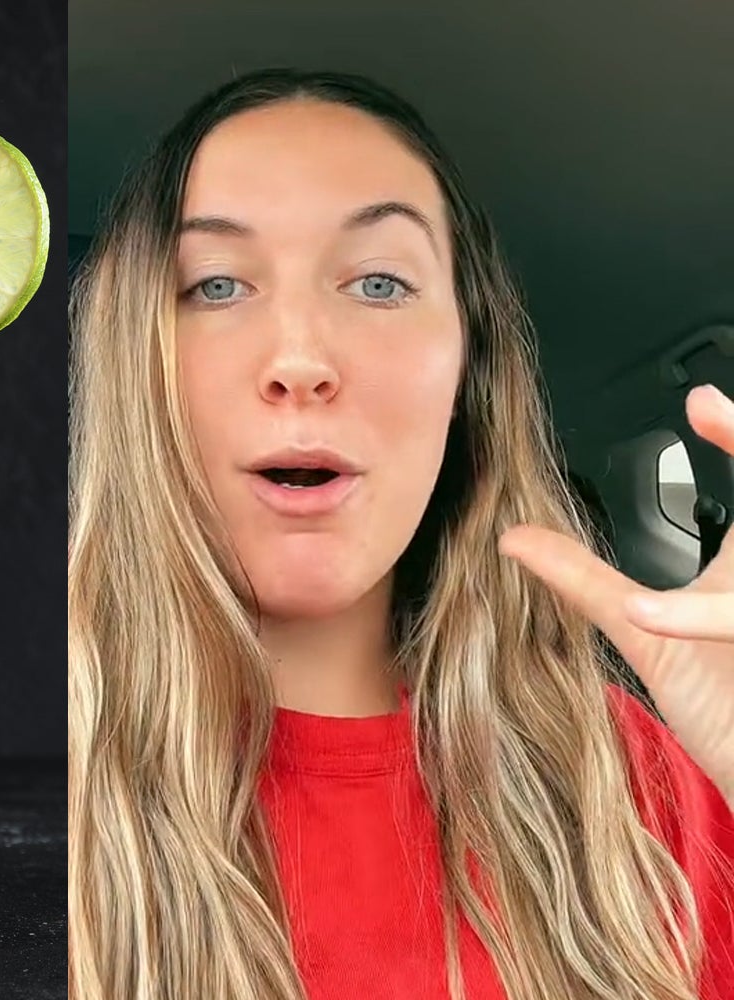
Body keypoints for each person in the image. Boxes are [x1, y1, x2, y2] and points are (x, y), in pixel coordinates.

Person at [67, 69, 734, 1000]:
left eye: (380, 282)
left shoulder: (641, 783)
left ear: (470, 373)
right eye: (215, 284)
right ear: (135, 366)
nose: (299, 360)